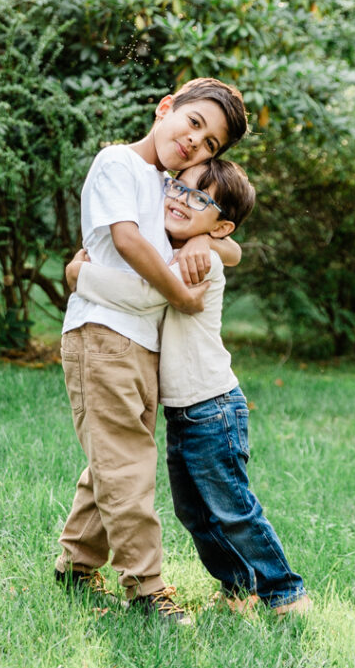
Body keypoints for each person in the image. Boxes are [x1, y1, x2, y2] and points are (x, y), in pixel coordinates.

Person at [66, 158, 311, 617]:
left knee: (232, 508)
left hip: (212, 404)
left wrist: (80, 276)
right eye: (178, 188)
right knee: (196, 513)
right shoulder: (184, 245)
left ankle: (285, 592)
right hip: (184, 409)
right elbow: (218, 240)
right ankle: (239, 590)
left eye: (200, 198)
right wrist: (202, 231)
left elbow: (143, 294)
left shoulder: (196, 261)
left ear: (221, 224)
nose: (181, 199)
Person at [55, 78, 248, 624]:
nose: (196, 143)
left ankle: (75, 565)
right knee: (126, 463)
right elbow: (127, 240)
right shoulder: (118, 162)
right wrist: (181, 293)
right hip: (104, 333)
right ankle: (146, 587)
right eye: (193, 124)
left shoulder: (169, 184)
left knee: (114, 458)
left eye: (211, 144)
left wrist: (206, 241)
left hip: (142, 344)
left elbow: (230, 244)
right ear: (166, 109)